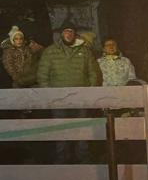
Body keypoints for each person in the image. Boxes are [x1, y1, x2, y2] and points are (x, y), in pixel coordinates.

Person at [36, 21, 102, 163]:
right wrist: (50, 95)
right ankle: (62, 159)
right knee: (61, 129)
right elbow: (42, 76)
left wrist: (89, 92)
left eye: (71, 31)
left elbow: (93, 73)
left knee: (82, 128)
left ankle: (83, 158)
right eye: (66, 31)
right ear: (61, 33)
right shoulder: (50, 51)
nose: (69, 34)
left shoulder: (84, 51)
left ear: (75, 34)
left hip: (80, 98)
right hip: (59, 100)